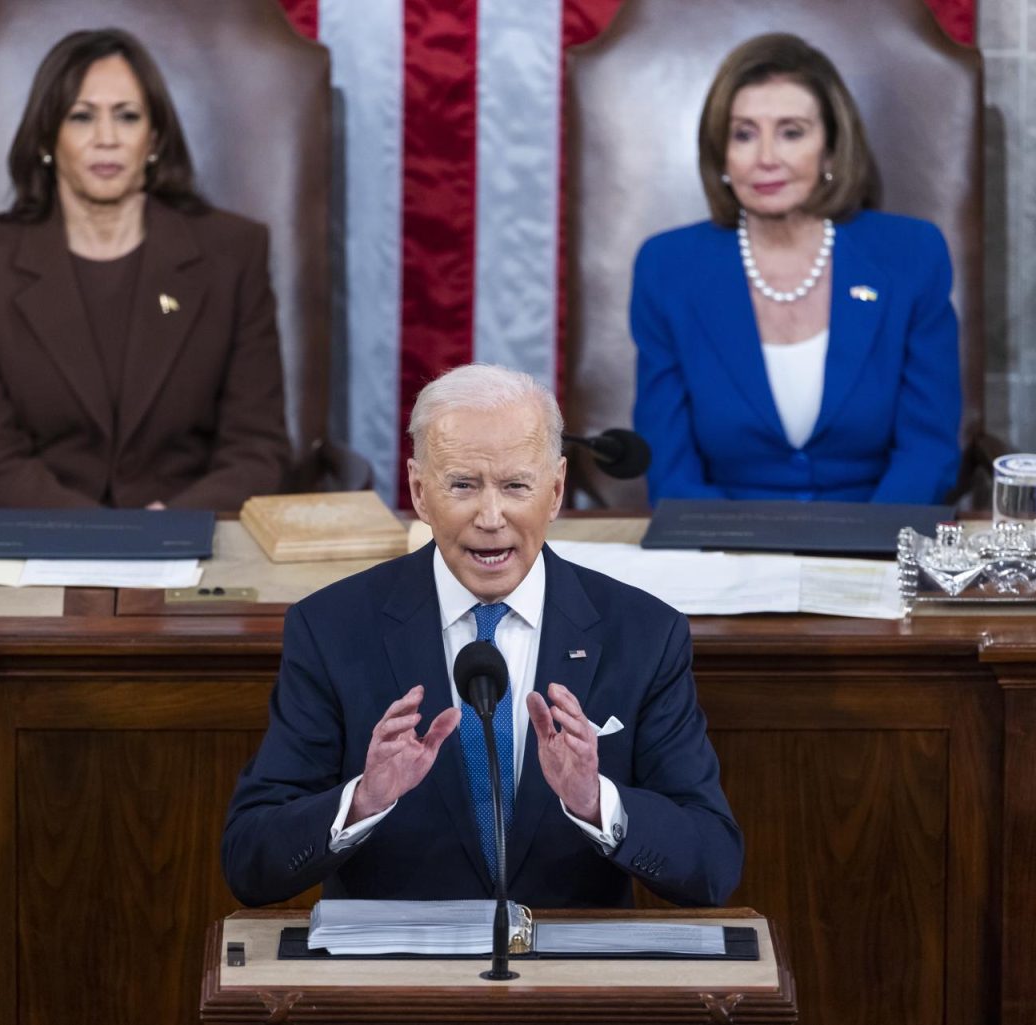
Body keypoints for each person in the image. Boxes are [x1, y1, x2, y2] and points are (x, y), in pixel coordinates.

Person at [222, 363, 742, 908]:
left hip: (571, 979)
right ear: (421, 493)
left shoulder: (644, 633)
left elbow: (711, 865)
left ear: (557, 490)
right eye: (463, 485)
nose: (490, 517)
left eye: (516, 486)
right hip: (396, 981)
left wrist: (596, 802)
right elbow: (249, 862)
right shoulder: (331, 628)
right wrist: (362, 801)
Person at [0, 29, 291, 509]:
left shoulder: (234, 254)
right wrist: (107, 537)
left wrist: (170, 525)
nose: (106, 139)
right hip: (39, 540)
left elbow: (257, 447)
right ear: (47, 137)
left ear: (154, 138)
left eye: (126, 117)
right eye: (81, 117)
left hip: (194, 541)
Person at [632, 33, 962, 505]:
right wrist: (732, 563)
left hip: (876, 544)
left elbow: (927, 450)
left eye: (791, 132)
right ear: (721, 155)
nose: (766, 157)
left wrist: (862, 556)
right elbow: (670, 462)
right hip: (722, 550)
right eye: (744, 134)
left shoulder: (911, 255)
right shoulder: (667, 268)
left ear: (830, 149)